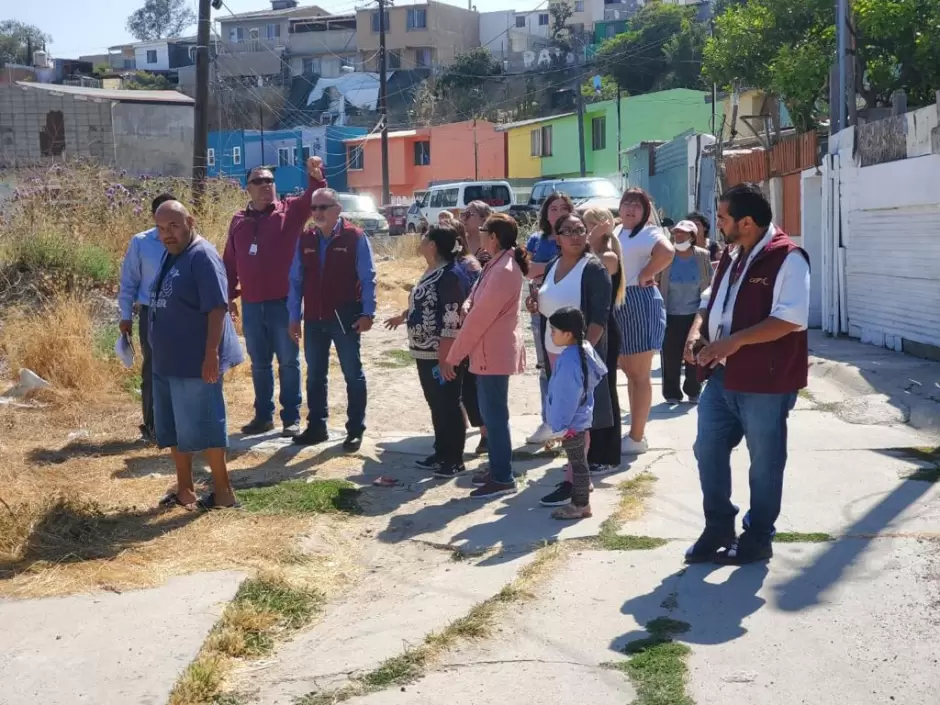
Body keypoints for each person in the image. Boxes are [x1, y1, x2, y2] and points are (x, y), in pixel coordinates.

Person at [684, 183, 810, 565]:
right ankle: (719, 525)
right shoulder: (732, 253)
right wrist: (697, 331)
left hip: (764, 381)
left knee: (765, 462)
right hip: (722, 377)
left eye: (722, 218)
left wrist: (732, 342)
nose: (717, 224)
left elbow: (790, 319)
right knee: (707, 449)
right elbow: (710, 301)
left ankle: (758, 537)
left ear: (748, 222)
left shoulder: (788, 258)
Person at [150, 201, 244, 510]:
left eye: (173, 226)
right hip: (168, 360)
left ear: (190, 221)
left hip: (195, 361)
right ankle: (185, 490)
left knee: (205, 424)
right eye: (161, 229)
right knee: (175, 428)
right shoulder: (172, 253)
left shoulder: (202, 256)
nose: (167, 234)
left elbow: (216, 307)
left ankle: (223, 493)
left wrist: (210, 355)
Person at [223, 157, 326, 438]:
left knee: (289, 362)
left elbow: (311, 199)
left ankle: (291, 418)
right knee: (259, 363)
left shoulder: (289, 211)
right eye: (258, 181)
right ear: (248, 188)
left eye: (270, 181)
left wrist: (315, 176)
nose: (266, 185)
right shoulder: (238, 222)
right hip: (253, 304)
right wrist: (230, 297)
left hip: (284, 303)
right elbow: (230, 261)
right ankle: (263, 416)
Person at [532, 213, 613, 507]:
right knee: (565, 416)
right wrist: (536, 301)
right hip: (556, 353)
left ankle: (575, 481)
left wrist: (582, 355)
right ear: (557, 237)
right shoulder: (553, 265)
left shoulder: (593, 269)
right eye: (569, 231)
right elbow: (549, 302)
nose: (577, 236)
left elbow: (599, 317)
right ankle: (573, 473)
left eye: (581, 230)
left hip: (575, 355)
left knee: (577, 420)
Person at [287, 187, 377, 452]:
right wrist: (294, 317)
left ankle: (355, 430)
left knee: (352, 374)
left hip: (345, 317)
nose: (316, 213)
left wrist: (368, 313)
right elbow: (295, 280)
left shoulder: (355, 237)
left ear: (337, 209)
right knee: (315, 375)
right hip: (314, 318)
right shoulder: (305, 238)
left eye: (322, 207)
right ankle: (317, 427)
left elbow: (368, 278)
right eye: (313, 208)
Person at [446, 213, 528, 499]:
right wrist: (468, 304)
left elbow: (480, 318)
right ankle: (497, 468)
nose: (477, 234)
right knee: (492, 414)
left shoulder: (504, 269)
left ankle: (503, 476)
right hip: (487, 352)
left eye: (482, 230)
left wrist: (453, 356)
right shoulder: (494, 264)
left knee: (494, 416)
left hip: (493, 352)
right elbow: (476, 295)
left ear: (493, 237)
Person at [384, 225, 468, 477]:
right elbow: (426, 303)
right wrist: (405, 316)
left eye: (424, 238)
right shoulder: (433, 270)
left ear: (433, 245)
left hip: (441, 354)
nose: (419, 241)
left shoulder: (451, 275)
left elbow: (451, 316)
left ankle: (454, 458)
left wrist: (446, 357)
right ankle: (441, 451)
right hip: (424, 352)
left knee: (449, 403)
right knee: (436, 403)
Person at [615, 188, 675, 454]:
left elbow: (667, 252)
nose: (630, 209)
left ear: (645, 211)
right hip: (618, 302)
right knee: (630, 372)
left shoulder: (649, 232)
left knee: (639, 374)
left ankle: (637, 437)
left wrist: (645, 273)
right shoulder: (618, 232)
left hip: (637, 300)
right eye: (626, 203)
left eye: (636, 205)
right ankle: (633, 434)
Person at [118, 192, 178, 442]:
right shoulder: (141, 242)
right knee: (153, 369)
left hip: (181, 313)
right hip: (151, 314)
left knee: (182, 368)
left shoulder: (189, 242)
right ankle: (153, 426)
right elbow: (129, 281)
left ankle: (178, 423)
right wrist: (125, 316)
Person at [543, 307, 608, 520]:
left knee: (578, 466)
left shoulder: (570, 361)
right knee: (579, 463)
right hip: (580, 418)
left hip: (571, 423)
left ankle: (580, 505)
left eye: (554, 331)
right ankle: (580, 503)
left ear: (568, 334)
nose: (551, 334)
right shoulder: (583, 349)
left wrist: (561, 427)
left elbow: (566, 396)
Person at [525, 192, 573, 445]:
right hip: (542, 311)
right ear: (545, 213)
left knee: (570, 365)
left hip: (571, 311)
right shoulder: (537, 240)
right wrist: (559, 264)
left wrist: (547, 267)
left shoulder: (575, 236)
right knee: (546, 368)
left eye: (563, 207)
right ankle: (549, 420)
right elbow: (529, 271)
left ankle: (569, 422)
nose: (558, 212)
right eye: (553, 208)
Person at [583, 207, 625, 474]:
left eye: (585, 227)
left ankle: (607, 454)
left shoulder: (608, 257)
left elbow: (588, 265)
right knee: (592, 391)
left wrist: (590, 239)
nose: (580, 233)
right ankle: (592, 449)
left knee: (605, 391)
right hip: (590, 326)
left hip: (605, 328)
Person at [658, 219, 713, 404]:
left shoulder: (703, 256)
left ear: (692, 236)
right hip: (670, 314)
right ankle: (672, 394)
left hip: (695, 314)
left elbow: (710, 283)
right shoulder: (666, 255)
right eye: (676, 233)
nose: (678, 236)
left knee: (695, 354)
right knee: (670, 355)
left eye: (682, 233)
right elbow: (657, 279)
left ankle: (693, 390)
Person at [451, 221, 488, 455]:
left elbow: (476, 300)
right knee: (462, 388)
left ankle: (487, 434)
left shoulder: (468, 265)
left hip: (468, 334)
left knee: (472, 388)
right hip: (453, 335)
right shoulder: (451, 263)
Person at [459, 200, 493, 266]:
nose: (463, 219)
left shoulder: (494, 242)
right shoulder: (459, 242)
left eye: (468, 215)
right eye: (463, 214)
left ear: (484, 219)